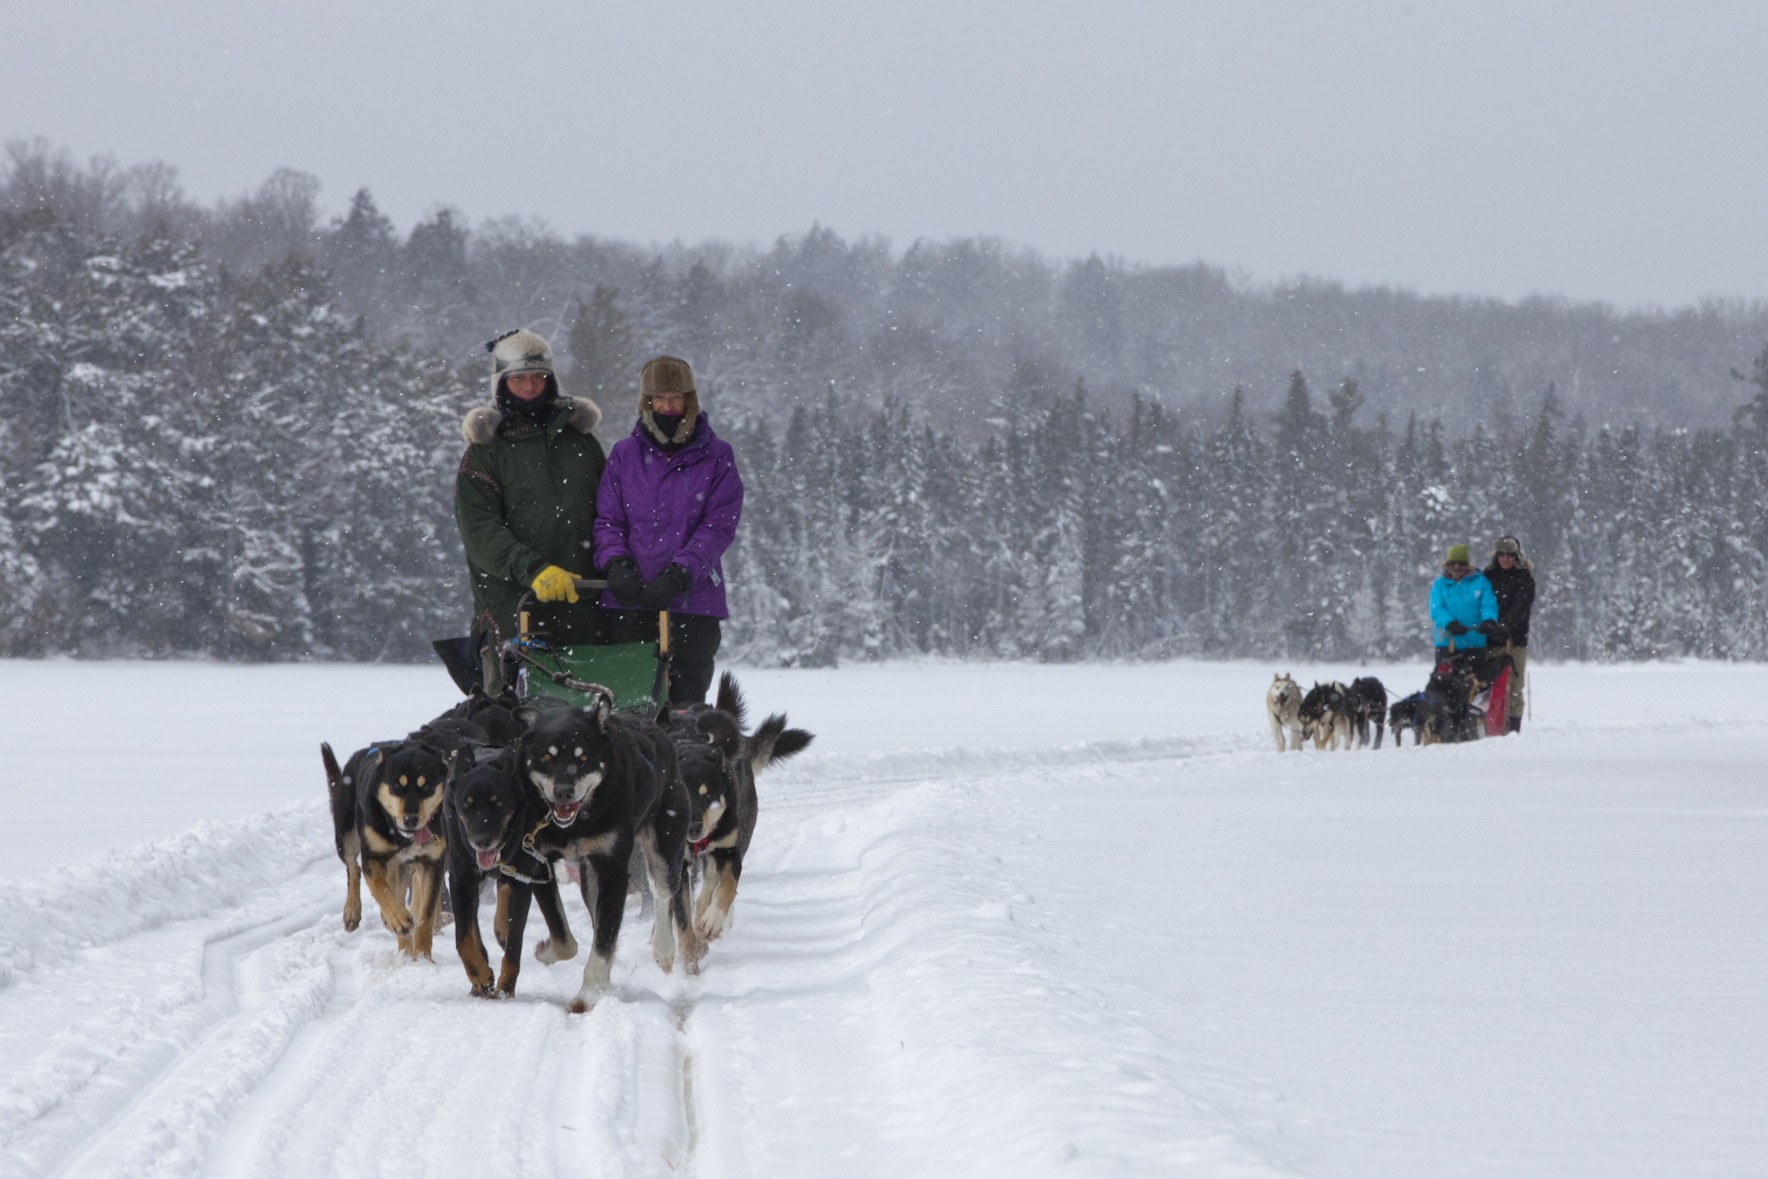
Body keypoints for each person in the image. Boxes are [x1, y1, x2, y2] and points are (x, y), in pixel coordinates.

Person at [454, 328, 607, 693]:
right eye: (517, 378)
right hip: (512, 611)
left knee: (589, 729)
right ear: (501, 384)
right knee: (510, 730)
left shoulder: (581, 444)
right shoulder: (485, 451)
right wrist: (534, 569)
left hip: (583, 609)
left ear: (549, 381)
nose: (527, 387)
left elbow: (611, 514)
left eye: (536, 377)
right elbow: (481, 532)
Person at [594, 355, 743, 705]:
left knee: (685, 708)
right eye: (658, 398)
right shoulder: (624, 455)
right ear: (646, 402)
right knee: (630, 708)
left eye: (675, 398)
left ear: (689, 401)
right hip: (629, 602)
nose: (666, 406)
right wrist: (616, 565)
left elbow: (718, 526)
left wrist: (680, 573)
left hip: (694, 603)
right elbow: (607, 520)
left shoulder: (717, 456)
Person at [1483, 534, 1536, 733]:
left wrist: (1506, 624)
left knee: (1514, 686)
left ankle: (1513, 729)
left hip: (1515, 642)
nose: (1506, 559)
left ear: (1516, 556)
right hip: (1492, 641)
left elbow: (1521, 606)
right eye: (1502, 554)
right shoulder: (1488, 577)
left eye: (1510, 555)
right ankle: (1491, 725)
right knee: (1490, 687)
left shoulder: (1524, 577)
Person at [1429, 543, 1500, 659]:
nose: (1457, 567)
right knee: (1445, 677)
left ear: (1467, 565)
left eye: (1461, 563)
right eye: (1453, 563)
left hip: (1475, 643)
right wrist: (1449, 623)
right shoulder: (1439, 584)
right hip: (1447, 643)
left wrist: (1489, 620)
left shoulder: (1481, 582)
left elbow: (1488, 604)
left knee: (1477, 677)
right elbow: (1436, 608)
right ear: (1447, 564)